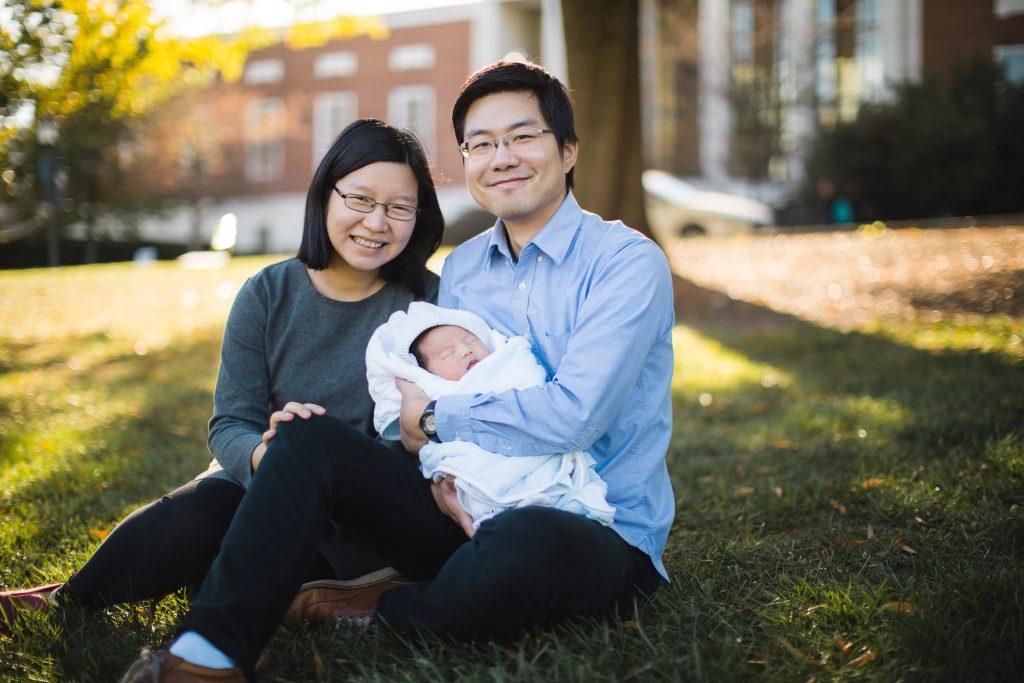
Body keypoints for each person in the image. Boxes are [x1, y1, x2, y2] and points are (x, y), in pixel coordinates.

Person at [119, 60, 675, 683]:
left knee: (521, 550)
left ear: (568, 150)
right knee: (306, 436)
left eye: (523, 137)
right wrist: (436, 466)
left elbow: (576, 415)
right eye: (481, 144)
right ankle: (207, 657)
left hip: (589, 525)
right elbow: (415, 401)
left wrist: (434, 423)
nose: (502, 157)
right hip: (461, 506)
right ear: (465, 160)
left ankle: (378, 606)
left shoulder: (626, 263)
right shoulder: (461, 271)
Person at [0, 119, 444, 633]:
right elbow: (231, 422)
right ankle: (67, 602)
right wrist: (270, 457)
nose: (377, 222)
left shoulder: (428, 302)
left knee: (265, 570)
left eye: (399, 208)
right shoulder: (267, 293)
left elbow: (433, 424)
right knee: (207, 506)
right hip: (260, 483)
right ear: (326, 195)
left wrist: (329, 465)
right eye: (361, 200)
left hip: (370, 511)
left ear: (418, 216)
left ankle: (345, 584)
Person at [365, 301, 615, 534]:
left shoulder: (508, 361)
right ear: (428, 374)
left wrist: (430, 416)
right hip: (479, 478)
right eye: (447, 354)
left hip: (540, 443)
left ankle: (548, 498)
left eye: (471, 340)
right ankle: (512, 505)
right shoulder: (439, 392)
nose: (465, 351)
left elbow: (531, 389)